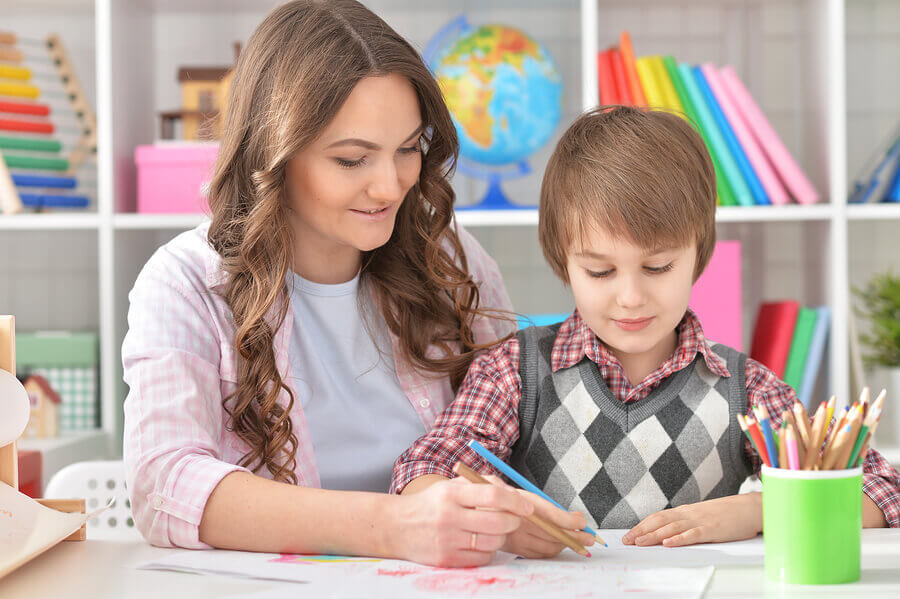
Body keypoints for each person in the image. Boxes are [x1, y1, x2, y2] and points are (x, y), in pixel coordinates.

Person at [122, 0, 577, 568]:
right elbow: (163, 484)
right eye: (351, 160)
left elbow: (514, 431)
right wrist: (392, 527)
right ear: (275, 154)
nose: (389, 186)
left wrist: (508, 510)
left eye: (408, 149)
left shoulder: (453, 260)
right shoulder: (185, 283)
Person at [392, 106, 900, 553]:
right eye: (599, 272)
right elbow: (420, 474)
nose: (631, 297)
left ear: (697, 256)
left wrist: (759, 512)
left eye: (657, 268)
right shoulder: (514, 373)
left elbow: (884, 489)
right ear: (561, 262)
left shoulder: (744, 390)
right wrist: (498, 520)